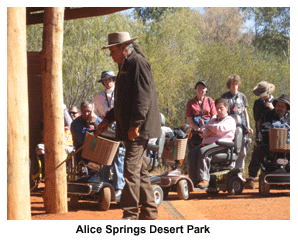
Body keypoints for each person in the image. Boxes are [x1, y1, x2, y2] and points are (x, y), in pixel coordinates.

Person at [96, 32, 161, 220]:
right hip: (133, 127)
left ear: (123, 47)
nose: (110, 54)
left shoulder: (137, 63)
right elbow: (123, 102)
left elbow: (143, 96)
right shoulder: (125, 65)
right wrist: (108, 120)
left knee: (130, 170)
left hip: (139, 129)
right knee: (139, 171)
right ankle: (149, 213)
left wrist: (136, 124)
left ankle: (131, 214)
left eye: (112, 50)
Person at [188, 98, 236, 188]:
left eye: (221, 108)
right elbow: (202, 132)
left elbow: (219, 129)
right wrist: (210, 130)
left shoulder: (230, 120)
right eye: (217, 108)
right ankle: (193, 180)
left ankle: (204, 179)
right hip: (208, 144)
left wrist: (209, 128)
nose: (218, 110)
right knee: (192, 153)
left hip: (222, 145)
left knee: (204, 152)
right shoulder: (213, 120)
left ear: (226, 108)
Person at [246, 94, 290, 189]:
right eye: (278, 106)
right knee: (258, 149)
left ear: (286, 108)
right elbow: (263, 128)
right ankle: (251, 178)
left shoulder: (290, 118)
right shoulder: (267, 115)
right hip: (270, 145)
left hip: (288, 147)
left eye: (282, 107)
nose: (279, 108)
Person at [93, 70, 125, 198]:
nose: (108, 82)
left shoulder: (121, 92)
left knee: (118, 155)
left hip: (120, 127)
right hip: (106, 127)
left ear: (114, 80)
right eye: (105, 80)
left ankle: (119, 187)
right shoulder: (98, 97)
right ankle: (103, 185)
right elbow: (97, 113)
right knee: (104, 155)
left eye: (110, 79)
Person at [221, 74, 253, 173]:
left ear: (238, 85)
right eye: (232, 84)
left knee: (242, 150)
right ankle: (229, 171)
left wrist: (248, 126)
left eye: (236, 84)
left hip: (241, 126)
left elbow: (245, 112)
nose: (234, 86)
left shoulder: (242, 96)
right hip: (229, 126)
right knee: (229, 148)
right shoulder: (225, 97)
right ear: (229, 85)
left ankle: (239, 172)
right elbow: (221, 111)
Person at [252, 81, 275, 146]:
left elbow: (279, 118)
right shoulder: (257, 102)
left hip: (272, 134)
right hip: (260, 133)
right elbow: (256, 118)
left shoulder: (275, 102)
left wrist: (273, 109)